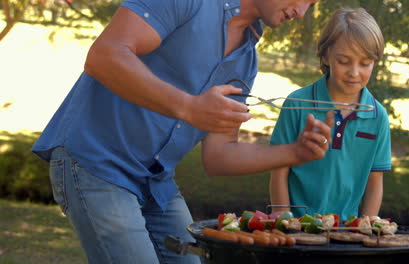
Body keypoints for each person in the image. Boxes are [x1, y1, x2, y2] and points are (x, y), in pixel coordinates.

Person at [32, 0, 329, 263]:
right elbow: (105, 55)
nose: (302, 12)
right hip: (97, 162)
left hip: (156, 183)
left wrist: (294, 152)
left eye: (312, 5)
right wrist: (189, 107)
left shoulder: (245, 59)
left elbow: (218, 156)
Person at [269, 7, 392, 221]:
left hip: (347, 231)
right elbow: (279, 169)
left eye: (365, 63)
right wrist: (282, 218)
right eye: (344, 61)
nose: (354, 72)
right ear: (326, 56)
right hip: (297, 225)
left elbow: (375, 180)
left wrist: (368, 227)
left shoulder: (377, 116)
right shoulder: (296, 104)